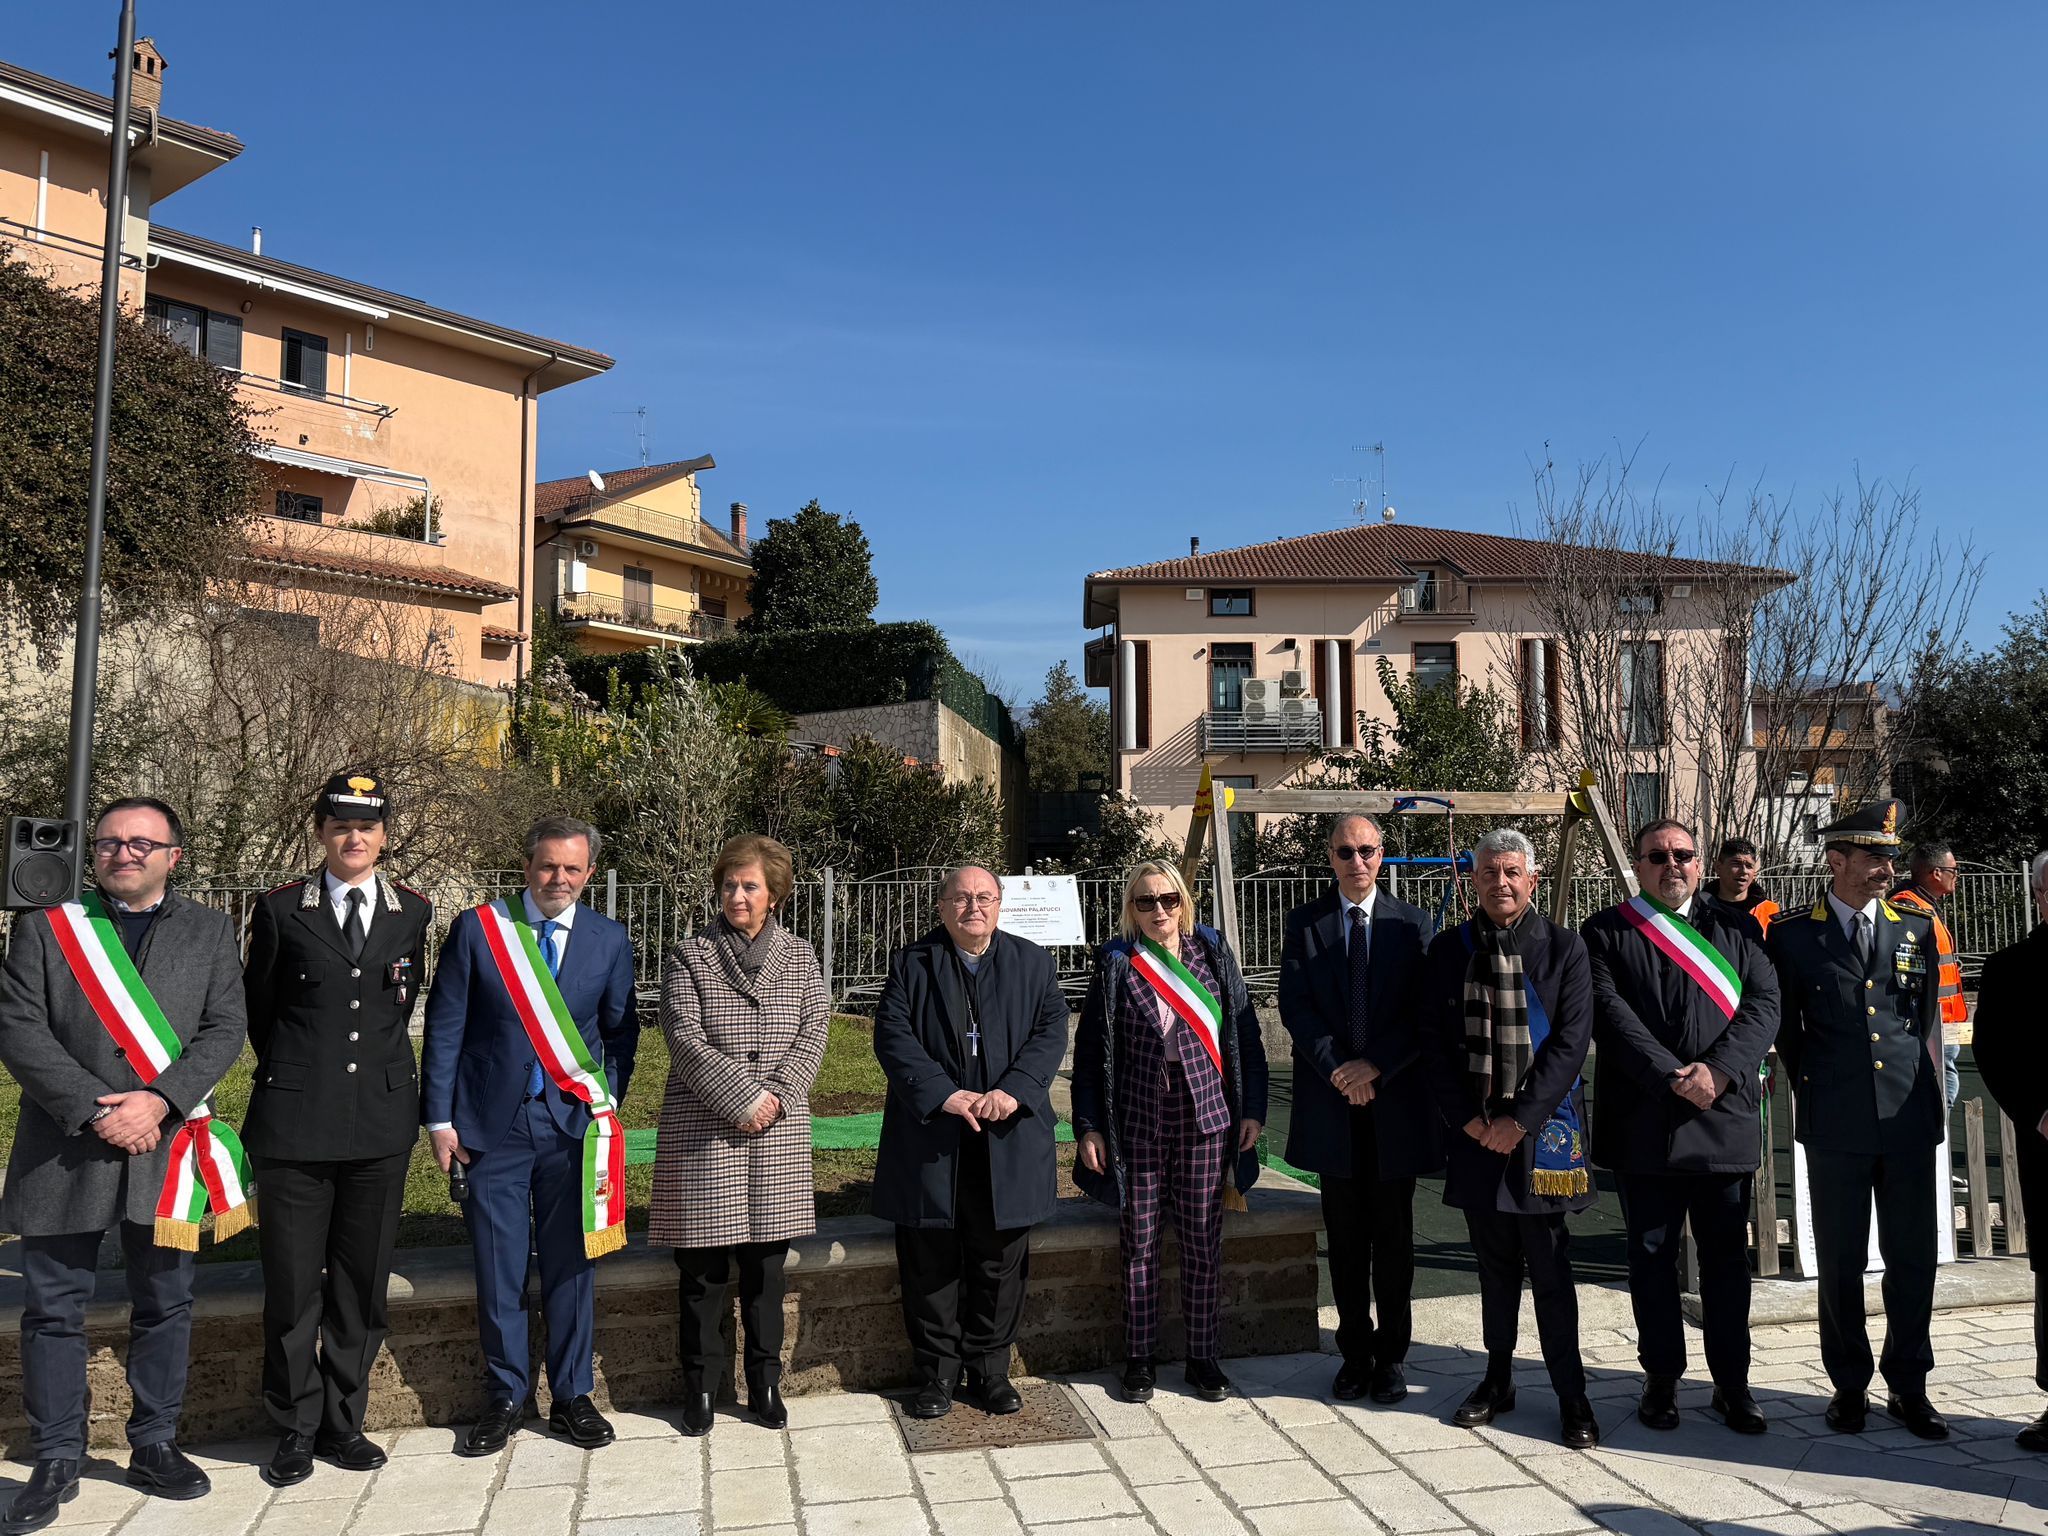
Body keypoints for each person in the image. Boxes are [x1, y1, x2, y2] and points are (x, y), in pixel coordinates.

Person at [0, 798, 249, 1531]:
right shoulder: (47, 927)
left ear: (174, 855)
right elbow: (17, 1025)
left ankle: (153, 1443)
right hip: (64, 1143)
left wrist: (160, 1102)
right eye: (110, 842)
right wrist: (95, 1106)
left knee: (165, 1300)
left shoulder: (209, 929)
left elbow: (224, 1026)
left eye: (143, 842)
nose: (124, 853)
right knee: (52, 1307)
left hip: (165, 1146)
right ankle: (55, 1457)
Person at [421, 815, 639, 1456]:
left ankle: (572, 1394)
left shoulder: (608, 938)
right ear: (526, 866)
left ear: (590, 873)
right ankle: (507, 1395)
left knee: (573, 1264)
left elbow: (619, 1032)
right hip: (493, 1128)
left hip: (574, 1127)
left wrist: (607, 1101)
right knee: (499, 1266)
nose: (559, 879)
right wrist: (440, 1120)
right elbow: (445, 1029)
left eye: (573, 869)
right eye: (548, 866)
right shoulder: (480, 930)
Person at [241, 773, 433, 1488]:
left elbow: (398, 1006)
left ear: (384, 836)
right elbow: (261, 1011)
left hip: (380, 1125)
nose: (355, 837)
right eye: (341, 824)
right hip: (295, 1122)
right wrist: (303, 1075)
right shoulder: (284, 909)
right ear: (321, 831)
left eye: (369, 825)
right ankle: (293, 1424)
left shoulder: (412, 911)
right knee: (293, 1287)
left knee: (361, 1284)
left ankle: (343, 1421)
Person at [1585, 819, 1781, 1436]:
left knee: (1726, 1260)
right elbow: (1608, 1014)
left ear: (1701, 864)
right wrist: (1673, 1075)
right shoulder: (1607, 931)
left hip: (1721, 1118)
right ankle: (1661, 1379)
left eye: (1684, 855)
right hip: (1647, 1120)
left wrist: (1717, 1073)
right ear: (1638, 867)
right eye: (1658, 856)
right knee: (1650, 1258)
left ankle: (1732, 1384)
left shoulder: (1739, 929)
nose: (1672, 865)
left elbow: (1764, 1006)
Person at [1767, 799, 1950, 1440]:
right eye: (1874, 857)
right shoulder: (1792, 936)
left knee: (1912, 1258)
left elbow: (1923, 1021)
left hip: (1906, 1119)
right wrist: (1818, 1091)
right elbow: (1786, 1031)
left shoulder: (1916, 929)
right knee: (1840, 1261)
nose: (1885, 868)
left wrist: (1931, 1103)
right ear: (1836, 860)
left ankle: (1910, 1384)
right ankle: (1848, 1385)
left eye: (1890, 857)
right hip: (1835, 1122)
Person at [1422, 827, 1600, 1449]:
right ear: (1473, 879)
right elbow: (1435, 1049)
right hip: (1475, 1134)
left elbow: (1571, 1044)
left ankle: (1571, 1393)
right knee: (1493, 1270)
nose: (1501, 882)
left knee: (1551, 1271)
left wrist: (1517, 1120)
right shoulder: (1449, 950)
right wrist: (1470, 1121)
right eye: (1489, 872)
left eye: (1512, 872)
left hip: (1539, 1133)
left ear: (1532, 878)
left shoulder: (1564, 948)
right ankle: (1497, 1379)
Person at [873, 865, 1070, 1420]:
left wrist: (1014, 1090)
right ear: (941, 908)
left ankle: (990, 1370)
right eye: (961, 898)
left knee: (1000, 1261)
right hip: (934, 1136)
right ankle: (935, 1374)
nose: (973, 907)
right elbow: (893, 1035)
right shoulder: (911, 964)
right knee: (929, 1259)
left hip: (1007, 1135)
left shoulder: (1032, 963)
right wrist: (944, 1094)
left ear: (1000, 905)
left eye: (984, 897)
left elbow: (1049, 1031)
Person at [651, 835, 829, 1436]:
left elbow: (813, 1034)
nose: (737, 896)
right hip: (706, 1135)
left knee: (766, 1274)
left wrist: (775, 1096)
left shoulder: (802, 959)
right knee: (701, 1275)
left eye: (750, 886)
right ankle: (700, 1388)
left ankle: (765, 1383)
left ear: (773, 894)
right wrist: (741, 1100)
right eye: (729, 884)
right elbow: (682, 1035)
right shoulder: (690, 955)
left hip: (776, 1134)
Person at [1072, 860, 1268, 1405]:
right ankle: (1139, 1359)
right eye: (1145, 902)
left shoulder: (1212, 955)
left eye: (1169, 900)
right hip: (1137, 1122)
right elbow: (1090, 1054)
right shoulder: (1117, 963)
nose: (1159, 911)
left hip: (1207, 1120)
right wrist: (1089, 1125)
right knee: (1138, 1244)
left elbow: (1245, 1037)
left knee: (1203, 1243)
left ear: (1185, 901)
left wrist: (1254, 1108)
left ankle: (1203, 1358)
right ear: (1129, 909)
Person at [1275, 813, 1440, 1404]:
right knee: (1345, 1239)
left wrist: (1377, 1068)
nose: (1357, 862)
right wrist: (1340, 1071)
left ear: (1382, 853)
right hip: (1332, 1102)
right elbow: (1294, 1004)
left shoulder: (1413, 924)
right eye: (1345, 852)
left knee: (1394, 1240)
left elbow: (1426, 1012)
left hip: (1394, 1103)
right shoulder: (1306, 922)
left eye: (1367, 850)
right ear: (1330, 857)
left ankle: (1392, 1358)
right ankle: (1354, 1353)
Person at [1972, 850, 2048, 1452]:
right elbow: (1996, 1052)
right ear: (2041, 896)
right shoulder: (2012, 968)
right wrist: (2038, 1111)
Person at [1888, 842, 1968, 1109]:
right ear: (1936, 873)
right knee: (1939, 1089)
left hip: (1942, 1018)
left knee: (1944, 1082)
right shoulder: (1909, 908)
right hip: (1931, 1021)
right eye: (1953, 870)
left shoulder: (1923, 905)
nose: (1956, 875)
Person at [1702, 837, 1780, 936]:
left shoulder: (1769, 910)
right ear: (1718, 867)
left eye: (1749, 866)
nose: (1744, 871)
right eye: (1736, 864)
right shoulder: (1700, 908)